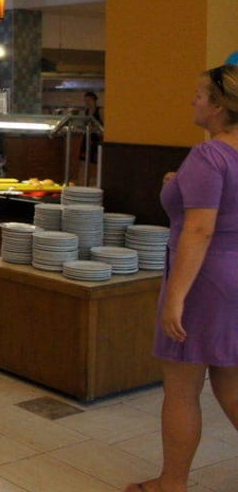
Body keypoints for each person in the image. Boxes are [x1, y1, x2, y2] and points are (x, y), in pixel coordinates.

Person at [124, 65, 238, 492]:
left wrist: (176, 296)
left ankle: (171, 483)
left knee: (182, 388)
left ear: (219, 105)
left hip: (204, 280)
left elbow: (199, 230)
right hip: (234, 275)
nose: (193, 100)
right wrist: (179, 184)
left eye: (200, 95)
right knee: (230, 381)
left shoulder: (210, 155)